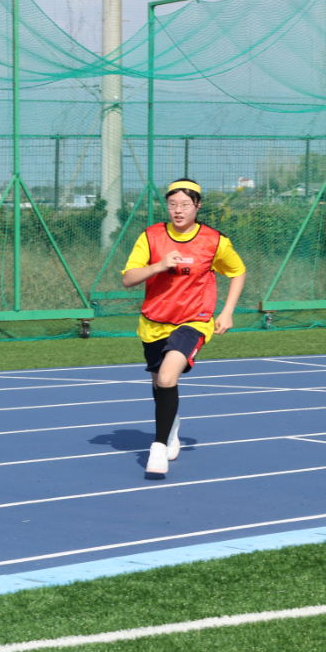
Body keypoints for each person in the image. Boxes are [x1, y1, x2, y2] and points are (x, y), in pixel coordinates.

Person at [121, 178, 246, 479]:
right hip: (154, 322)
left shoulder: (214, 241)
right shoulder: (151, 236)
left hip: (193, 320)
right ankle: (172, 425)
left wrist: (227, 311)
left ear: (197, 206)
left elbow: (238, 271)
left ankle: (158, 446)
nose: (178, 210)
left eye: (185, 205)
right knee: (160, 385)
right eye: (173, 204)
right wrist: (159, 265)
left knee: (167, 377)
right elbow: (128, 279)